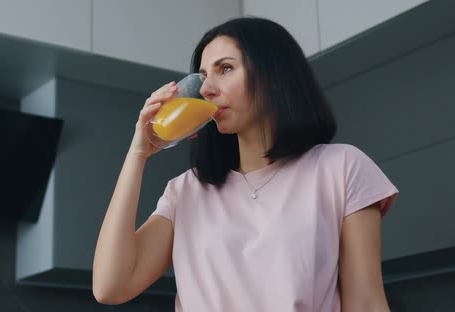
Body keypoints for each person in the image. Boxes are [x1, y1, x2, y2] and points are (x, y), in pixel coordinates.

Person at [92, 17, 398, 312]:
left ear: (274, 75)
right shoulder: (184, 191)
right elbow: (110, 287)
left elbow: (366, 304)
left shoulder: (341, 168)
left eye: (225, 69)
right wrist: (138, 155)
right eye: (203, 75)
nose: (207, 89)